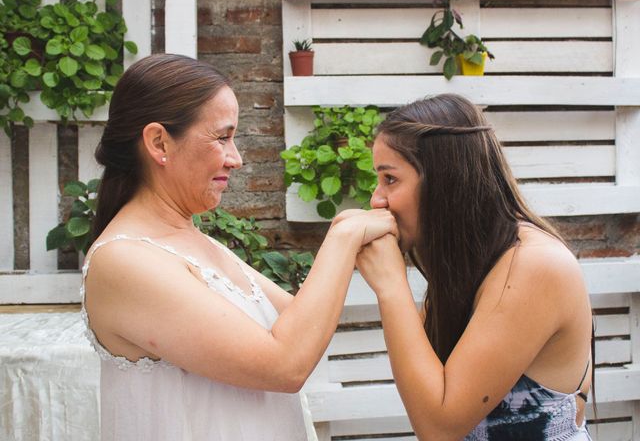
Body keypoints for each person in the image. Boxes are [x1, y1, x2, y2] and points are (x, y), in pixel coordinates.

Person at [81, 53, 397, 441]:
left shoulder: (194, 241)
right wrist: (343, 237)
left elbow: (301, 325)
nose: (237, 158)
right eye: (222, 137)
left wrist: (354, 228)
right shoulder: (123, 260)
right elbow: (286, 365)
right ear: (159, 142)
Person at [349, 94, 593, 440]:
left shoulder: (535, 265)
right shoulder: (470, 265)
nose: (377, 199)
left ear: (443, 179)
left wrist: (391, 284)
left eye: (390, 179)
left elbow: (438, 428)